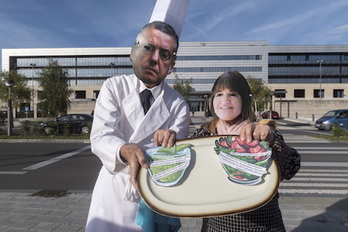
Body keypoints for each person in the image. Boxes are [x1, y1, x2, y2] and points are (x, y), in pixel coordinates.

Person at [85, 21, 190, 232]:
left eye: (165, 55)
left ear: (172, 66)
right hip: (113, 189)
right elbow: (101, 136)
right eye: (148, 48)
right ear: (132, 53)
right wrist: (124, 149)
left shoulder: (178, 104)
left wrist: (172, 139)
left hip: (153, 196)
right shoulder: (114, 87)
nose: (154, 59)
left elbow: (177, 156)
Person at [192, 71, 301, 232]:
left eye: (233, 94)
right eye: (219, 94)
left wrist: (271, 139)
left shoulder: (261, 131)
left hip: (262, 224)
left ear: (245, 99)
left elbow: (291, 167)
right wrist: (169, 141)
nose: (225, 100)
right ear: (212, 100)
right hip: (216, 224)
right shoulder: (204, 134)